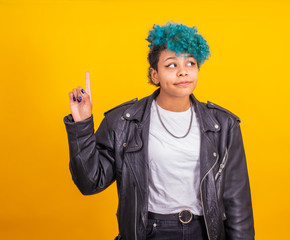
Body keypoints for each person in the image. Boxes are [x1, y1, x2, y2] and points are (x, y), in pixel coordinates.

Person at [64, 21, 255, 240]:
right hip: (149, 231)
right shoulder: (124, 122)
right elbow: (90, 183)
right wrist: (82, 124)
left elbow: (237, 203)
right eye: (172, 65)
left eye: (191, 63)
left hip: (205, 233)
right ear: (154, 75)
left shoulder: (223, 125)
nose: (183, 72)